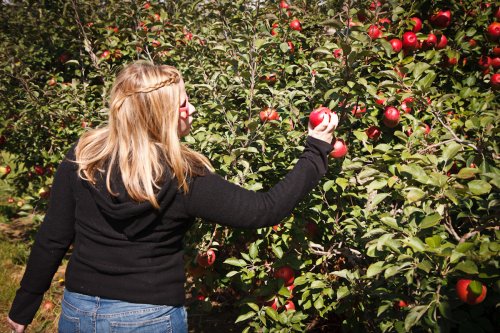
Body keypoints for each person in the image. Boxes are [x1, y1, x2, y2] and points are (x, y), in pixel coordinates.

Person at [7, 60, 338, 333]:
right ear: (159, 115)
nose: (191, 108)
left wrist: (23, 309)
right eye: (182, 103)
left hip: (79, 312)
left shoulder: (83, 157)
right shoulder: (183, 175)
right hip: (147, 318)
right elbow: (263, 210)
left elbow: (52, 237)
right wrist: (315, 150)